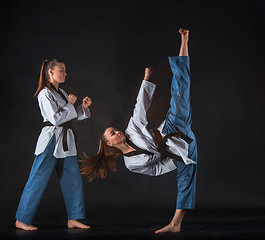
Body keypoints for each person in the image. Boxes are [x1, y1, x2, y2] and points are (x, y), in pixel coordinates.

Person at [81, 29, 197, 233]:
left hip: (173, 128)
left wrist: (147, 78)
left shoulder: (132, 129)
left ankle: (184, 41)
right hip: (182, 149)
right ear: (110, 144)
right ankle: (176, 223)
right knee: (186, 177)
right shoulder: (131, 164)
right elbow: (155, 170)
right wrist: (175, 158)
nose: (117, 132)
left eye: (115, 129)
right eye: (113, 134)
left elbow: (140, 106)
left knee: (180, 89)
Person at [15, 59, 92, 231]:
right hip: (51, 139)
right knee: (38, 178)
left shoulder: (62, 92)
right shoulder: (44, 93)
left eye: (65, 70)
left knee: (73, 178)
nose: (65, 73)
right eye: (61, 70)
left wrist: (82, 108)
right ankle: (22, 219)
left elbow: (69, 116)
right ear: (50, 72)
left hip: (66, 140)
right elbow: (55, 119)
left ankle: (74, 218)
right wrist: (70, 104)